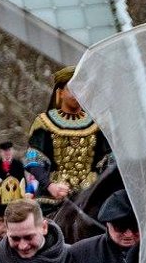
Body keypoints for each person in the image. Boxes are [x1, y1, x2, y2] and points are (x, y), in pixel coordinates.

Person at [30, 66, 110, 205]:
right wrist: (50, 186)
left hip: (91, 196)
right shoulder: (43, 122)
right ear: (60, 93)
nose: (78, 94)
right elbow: (32, 160)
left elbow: (109, 160)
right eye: (72, 89)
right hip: (54, 197)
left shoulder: (97, 123)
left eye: (82, 89)